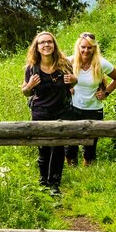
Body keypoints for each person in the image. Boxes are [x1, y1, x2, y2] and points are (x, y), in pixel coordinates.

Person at [20, 31, 77, 195]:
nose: (46, 45)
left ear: (54, 45)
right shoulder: (31, 69)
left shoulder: (64, 65)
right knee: (44, 148)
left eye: (49, 42)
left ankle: (54, 185)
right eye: (42, 43)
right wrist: (29, 85)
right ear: (37, 47)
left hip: (62, 111)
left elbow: (71, 85)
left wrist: (75, 80)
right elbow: (26, 92)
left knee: (58, 148)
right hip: (41, 113)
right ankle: (43, 181)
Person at [64, 32, 116, 166]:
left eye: (89, 47)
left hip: (93, 109)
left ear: (94, 48)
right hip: (73, 106)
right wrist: (67, 88)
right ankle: (72, 169)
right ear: (78, 47)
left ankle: (88, 170)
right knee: (70, 141)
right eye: (83, 47)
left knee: (90, 144)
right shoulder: (70, 61)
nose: (86, 50)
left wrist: (106, 92)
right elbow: (55, 76)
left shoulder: (101, 63)